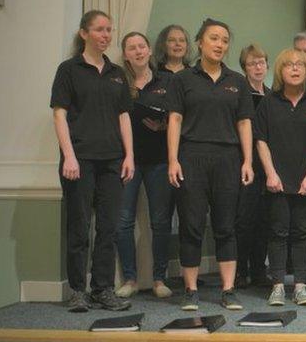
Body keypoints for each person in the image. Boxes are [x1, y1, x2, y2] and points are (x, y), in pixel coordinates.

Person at [168, 18, 255, 311]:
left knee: (226, 226)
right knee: (191, 225)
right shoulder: (182, 80)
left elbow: (244, 123)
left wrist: (248, 161)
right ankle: (190, 290)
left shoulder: (238, 82)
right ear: (200, 43)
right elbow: (175, 120)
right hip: (191, 157)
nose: (220, 44)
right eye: (214, 38)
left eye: (224, 40)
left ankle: (228, 290)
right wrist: (173, 160)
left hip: (228, 160)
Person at [51, 10, 135, 313]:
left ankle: (103, 289)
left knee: (108, 228)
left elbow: (124, 115)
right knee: (79, 226)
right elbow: (59, 114)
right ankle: (78, 290)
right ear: (84, 33)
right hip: (80, 160)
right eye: (100, 29)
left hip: (112, 160)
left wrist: (130, 156)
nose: (106, 35)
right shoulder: (68, 70)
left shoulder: (116, 73)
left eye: (109, 30)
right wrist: (69, 155)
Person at [255, 49, 306, 306]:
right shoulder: (269, 103)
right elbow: (260, 140)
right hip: (276, 180)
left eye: (300, 65)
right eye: (289, 65)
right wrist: (270, 174)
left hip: (305, 181)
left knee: (302, 233)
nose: (295, 69)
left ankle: (300, 285)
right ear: (280, 71)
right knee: (278, 232)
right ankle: (277, 286)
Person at [115, 31, 175, 300]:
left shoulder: (168, 80)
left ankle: (160, 278)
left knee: (161, 222)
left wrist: (163, 125)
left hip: (160, 160)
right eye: (132, 48)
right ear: (125, 54)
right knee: (123, 221)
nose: (138, 51)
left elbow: (178, 118)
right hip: (126, 160)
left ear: (150, 50)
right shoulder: (117, 81)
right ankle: (130, 279)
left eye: (142, 46)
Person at [234, 45, 270, 288]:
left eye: (261, 62)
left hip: (267, 163)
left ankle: (259, 269)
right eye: (251, 63)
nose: (257, 67)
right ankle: (240, 270)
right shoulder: (238, 91)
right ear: (244, 68)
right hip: (243, 161)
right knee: (243, 219)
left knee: (264, 219)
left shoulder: (272, 94)